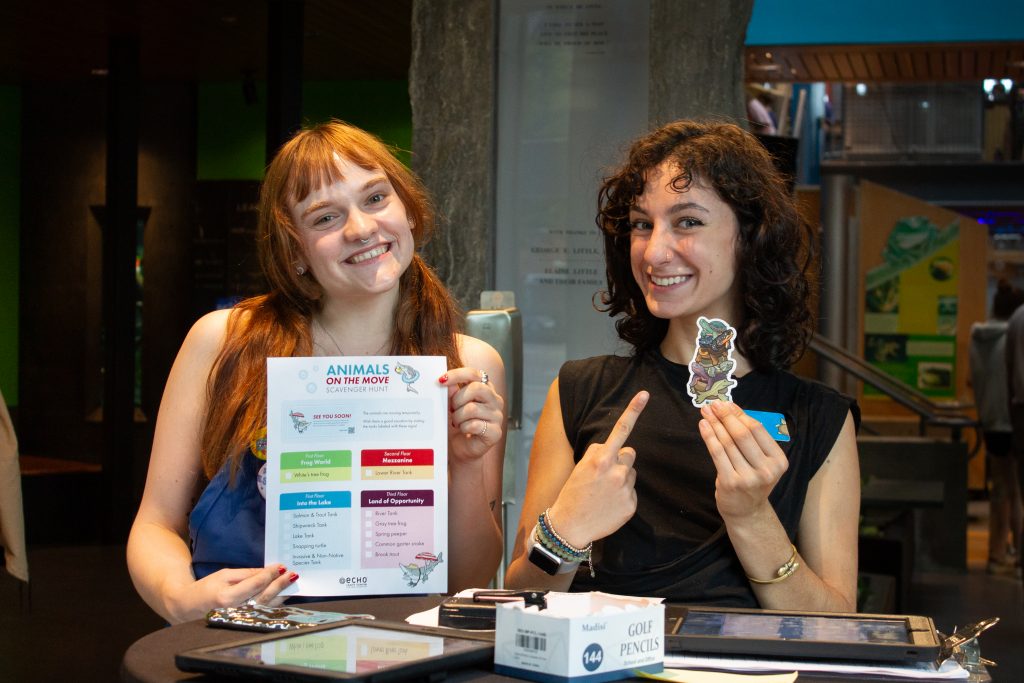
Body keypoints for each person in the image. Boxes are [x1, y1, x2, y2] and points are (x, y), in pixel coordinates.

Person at [127, 120, 507, 624]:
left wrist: (462, 466)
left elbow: (466, 580)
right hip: (240, 646)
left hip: (399, 650)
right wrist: (181, 599)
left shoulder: (470, 366)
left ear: (409, 213)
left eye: (375, 199)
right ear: (295, 252)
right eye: (325, 217)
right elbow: (155, 525)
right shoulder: (223, 341)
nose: (362, 228)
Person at [504, 121, 860, 611]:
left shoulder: (819, 417)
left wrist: (752, 517)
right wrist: (565, 529)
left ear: (750, 236)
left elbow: (838, 623)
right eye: (641, 224)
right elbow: (515, 601)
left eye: (687, 222)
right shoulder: (580, 389)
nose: (654, 251)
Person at [970, 279, 1024, 576]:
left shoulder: (977, 337)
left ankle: (996, 555)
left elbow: (971, 379)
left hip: (989, 420)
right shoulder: (1016, 335)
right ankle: (1018, 559)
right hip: (1014, 421)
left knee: (999, 492)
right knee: (1017, 494)